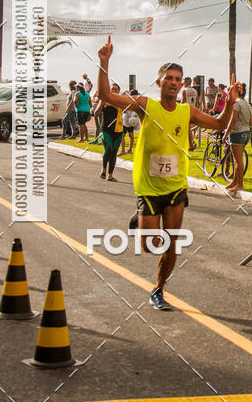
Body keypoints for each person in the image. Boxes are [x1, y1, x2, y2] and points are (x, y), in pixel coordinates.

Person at [97, 35, 241, 311]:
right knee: (151, 244)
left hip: (175, 186)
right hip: (149, 187)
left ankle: (158, 290)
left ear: (181, 84)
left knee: (172, 243)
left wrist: (231, 102)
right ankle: (138, 219)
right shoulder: (144, 105)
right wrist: (104, 62)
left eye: (178, 79)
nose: (174, 83)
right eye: (169, 78)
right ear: (159, 81)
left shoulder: (187, 111)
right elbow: (106, 96)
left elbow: (220, 124)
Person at [223, 82, 252, 192]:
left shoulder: (236, 104)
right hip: (246, 133)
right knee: (238, 159)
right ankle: (235, 182)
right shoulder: (247, 104)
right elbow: (250, 122)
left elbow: (233, 119)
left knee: (237, 160)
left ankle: (240, 184)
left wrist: (226, 133)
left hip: (237, 134)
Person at [94, 84, 123, 181]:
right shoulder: (103, 100)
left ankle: (110, 175)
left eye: (116, 89)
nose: (114, 90)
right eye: (112, 89)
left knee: (114, 152)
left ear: (119, 91)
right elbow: (96, 113)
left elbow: (123, 110)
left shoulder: (121, 101)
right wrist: (102, 104)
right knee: (108, 148)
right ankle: (103, 169)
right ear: (109, 90)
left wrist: (111, 104)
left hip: (118, 130)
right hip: (106, 129)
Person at [120, 89, 140, 155]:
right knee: (131, 135)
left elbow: (124, 110)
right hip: (132, 120)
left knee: (123, 135)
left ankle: (123, 150)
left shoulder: (127, 100)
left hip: (126, 119)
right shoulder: (137, 101)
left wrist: (125, 93)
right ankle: (129, 150)